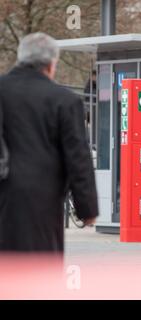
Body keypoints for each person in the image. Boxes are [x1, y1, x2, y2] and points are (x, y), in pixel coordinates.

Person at [0, 33, 99, 252]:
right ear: (51, 64)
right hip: (43, 200)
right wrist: (87, 208)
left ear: (20, 58)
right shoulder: (65, 101)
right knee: (39, 269)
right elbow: (77, 157)